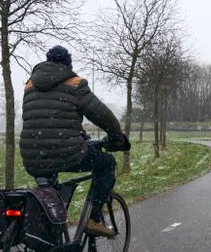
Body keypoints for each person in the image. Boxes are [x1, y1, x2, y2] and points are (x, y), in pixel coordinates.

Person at [19, 45, 130, 237]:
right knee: (107, 164)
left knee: (51, 192)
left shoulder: (30, 85)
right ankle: (94, 219)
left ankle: (49, 243)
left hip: (32, 155)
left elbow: (41, 120)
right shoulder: (74, 83)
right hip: (66, 152)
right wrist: (117, 137)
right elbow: (102, 115)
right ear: (67, 64)